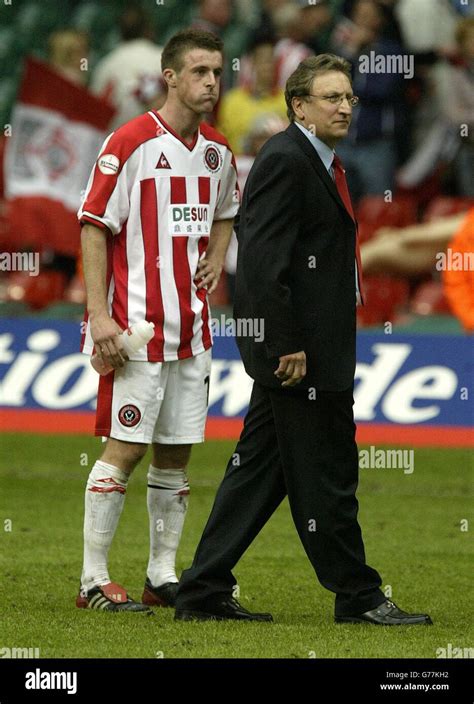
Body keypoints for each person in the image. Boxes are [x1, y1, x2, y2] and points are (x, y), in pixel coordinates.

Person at [174, 54, 432, 626]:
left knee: (256, 477)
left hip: (308, 352)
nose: (344, 107)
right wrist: (284, 342)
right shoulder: (288, 160)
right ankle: (359, 596)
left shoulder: (315, 159)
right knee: (330, 476)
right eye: (331, 98)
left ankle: (202, 588)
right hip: (302, 356)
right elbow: (261, 265)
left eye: (349, 98)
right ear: (298, 105)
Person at [76, 29, 238, 612]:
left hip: (193, 332)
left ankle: (161, 574)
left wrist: (218, 253)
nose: (212, 83)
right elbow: (94, 224)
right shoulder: (131, 142)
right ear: (170, 76)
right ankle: (93, 579)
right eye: (199, 72)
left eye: (217, 72)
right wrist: (98, 316)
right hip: (135, 329)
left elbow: (227, 211)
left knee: (175, 452)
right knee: (125, 448)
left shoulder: (218, 151)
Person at [91, 4, 165, 130]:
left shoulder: (105, 65)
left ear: (120, 32)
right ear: (149, 30)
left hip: (116, 143)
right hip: (160, 141)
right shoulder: (165, 57)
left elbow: (94, 115)